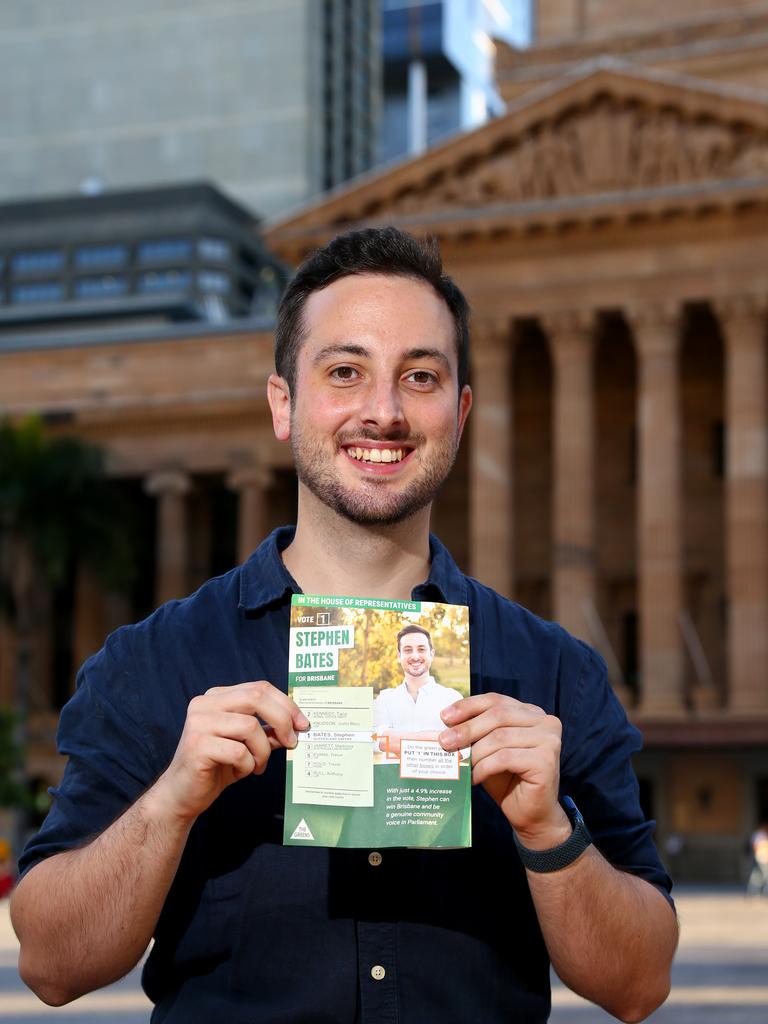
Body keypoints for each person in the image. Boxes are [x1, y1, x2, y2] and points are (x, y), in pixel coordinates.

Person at [11, 227, 678, 1023]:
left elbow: (640, 986)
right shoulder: (158, 661)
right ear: (284, 405)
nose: (384, 411)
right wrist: (171, 804)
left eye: (420, 377)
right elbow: (51, 965)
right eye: (345, 372)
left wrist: (547, 831)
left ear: (461, 413)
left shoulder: (552, 673)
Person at [373, 624, 464, 757]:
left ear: (431, 654)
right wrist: (439, 738)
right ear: (399, 656)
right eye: (408, 650)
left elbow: (462, 748)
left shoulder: (452, 698)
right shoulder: (384, 699)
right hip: (393, 778)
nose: (415, 656)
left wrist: (394, 738)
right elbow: (375, 739)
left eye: (421, 649)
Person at [746, 822, 768, 896]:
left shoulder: (764, 835)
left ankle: (752, 891)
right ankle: (765, 892)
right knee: (765, 875)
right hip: (761, 858)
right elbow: (755, 846)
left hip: (764, 858)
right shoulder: (759, 835)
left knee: (756, 875)